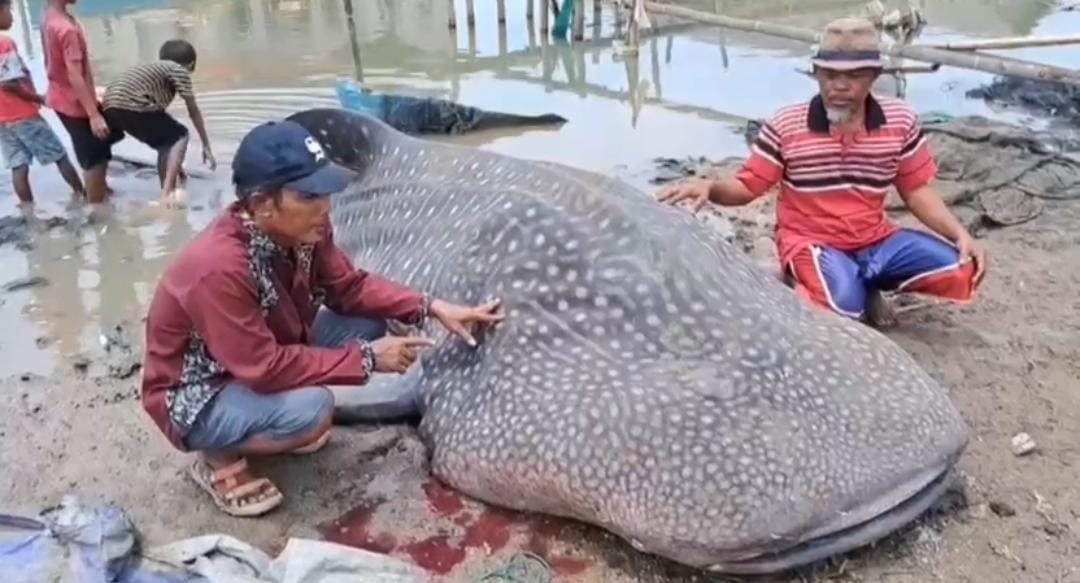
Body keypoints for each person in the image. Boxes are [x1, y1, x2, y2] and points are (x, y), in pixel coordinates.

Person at [140, 119, 504, 517]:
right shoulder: (218, 269)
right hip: (199, 390)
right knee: (312, 412)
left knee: (367, 322)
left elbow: (348, 287)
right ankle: (216, 455)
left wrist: (430, 306)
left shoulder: (305, 230)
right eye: (310, 194)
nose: (325, 206)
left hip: (265, 344)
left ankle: (265, 419)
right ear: (263, 203)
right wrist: (367, 359)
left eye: (326, 190)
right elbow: (263, 367)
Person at [657, 18, 986, 326]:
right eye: (829, 75)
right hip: (811, 241)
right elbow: (747, 187)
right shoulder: (786, 125)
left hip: (874, 239)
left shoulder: (901, 121)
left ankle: (861, 281)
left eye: (853, 76)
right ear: (815, 73)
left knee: (963, 268)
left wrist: (959, 234)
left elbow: (916, 191)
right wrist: (710, 186)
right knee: (843, 310)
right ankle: (812, 279)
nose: (839, 86)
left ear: (874, 74)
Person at [103, 39, 215, 208]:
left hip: (110, 106)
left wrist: (178, 166)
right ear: (191, 64)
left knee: (166, 140)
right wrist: (206, 145)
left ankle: (103, 186)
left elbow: (160, 126)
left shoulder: (150, 69)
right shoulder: (178, 69)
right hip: (134, 104)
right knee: (180, 135)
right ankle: (166, 194)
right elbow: (193, 110)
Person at [0, 0, 83, 204]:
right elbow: (8, 83)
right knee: (59, 155)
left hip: (2, 119)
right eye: (8, 11)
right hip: (22, 114)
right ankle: (82, 194)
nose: (11, 16)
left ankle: (28, 209)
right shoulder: (4, 43)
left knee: (18, 165)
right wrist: (38, 98)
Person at [42, 0, 122, 204]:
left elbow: (53, 63)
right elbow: (74, 75)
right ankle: (98, 212)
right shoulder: (67, 29)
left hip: (60, 96)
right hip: (75, 104)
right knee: (95, 159)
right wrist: (93, 114)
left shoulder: (49, 17)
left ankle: (101, 193)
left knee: (96, 149)